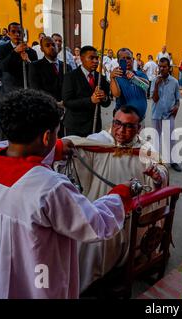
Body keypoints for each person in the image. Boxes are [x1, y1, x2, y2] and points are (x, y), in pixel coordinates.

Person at [0, 89, 132, 298]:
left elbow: (15, 150)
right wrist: (122, 194)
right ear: (46, 136)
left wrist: (55, 148)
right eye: (56, 132)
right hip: (34, 281)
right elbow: (95, 224)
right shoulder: (49, 187)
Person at [64, 105, 169, 291]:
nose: (121, 130)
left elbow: (161, 170)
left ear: (139, 129)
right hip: (102, 212)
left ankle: (127, 267)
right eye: (117, 124)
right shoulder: (97, 143)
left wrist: (157, 176)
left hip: (132, 216)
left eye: (129, 126)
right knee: (94, 252)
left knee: (133, 245)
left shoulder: (145, 149)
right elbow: (74, 146)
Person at [62, 45, 110, 137]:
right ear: (82, 58)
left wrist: (104, 98)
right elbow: (67, 102)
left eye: (97, 58)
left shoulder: (100, 77)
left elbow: (106, 103)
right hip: (75, 126)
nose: (95, 61)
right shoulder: (71, 77)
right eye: (91, 58)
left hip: (95, 125)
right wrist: (90, 100)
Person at [29, 36, 72, 137]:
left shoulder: (66, 66)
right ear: (42, 49)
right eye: (47, 45)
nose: (52, 47)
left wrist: (65, 101)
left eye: (53, 45)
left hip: (66, 111)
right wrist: (55, 103)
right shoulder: (35, 66)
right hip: (46, 109)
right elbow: (36, 89)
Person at [151, 57, 182, 172]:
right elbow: (154, 99)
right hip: (156, 115)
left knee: (171, 139)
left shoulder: (174, 82)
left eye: (164, 67)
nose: (161, 69)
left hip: (169, 115)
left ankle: (173, 161)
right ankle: (156, 162)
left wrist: (176, 108)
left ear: (169, 68)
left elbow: (178, 99)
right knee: (156, 139)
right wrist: (156, 86)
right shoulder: (155, 81)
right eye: (160, 66)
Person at [0, 22, 38, 93]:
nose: (17, 34)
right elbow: (2, 67)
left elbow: (35, 72)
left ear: (23, 35)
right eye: (13, 32)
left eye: (19, 32)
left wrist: (28, 61)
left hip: (26, 89)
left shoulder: (31, 52)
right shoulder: (1, 49)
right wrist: (15, 51)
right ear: (8, 33)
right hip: (8, 90)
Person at [110, 48, 149, 121]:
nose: (126, 61)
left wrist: (134, 78)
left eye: (128, 58)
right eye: (123, 59)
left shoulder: (140, 74)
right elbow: (116, 94)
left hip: (140, 120)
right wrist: (112, 78)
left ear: (133, 60)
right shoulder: (116, 77)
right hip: (124, 121)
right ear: (118, 61)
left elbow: (145, 87)